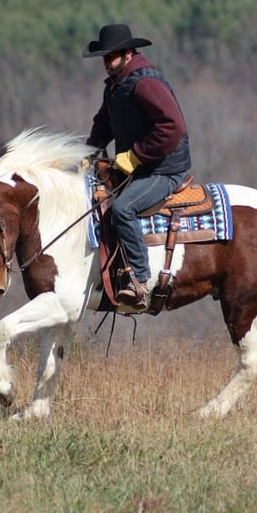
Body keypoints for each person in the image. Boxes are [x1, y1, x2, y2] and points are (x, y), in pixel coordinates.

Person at [83, 23, 192, 307]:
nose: (107, 62)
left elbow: (173, 128)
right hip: (140, 167)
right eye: (104, 58)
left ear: (128, 53)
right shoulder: (116, 86)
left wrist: (134, 156)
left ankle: (140, 280)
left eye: (112, 56)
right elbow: (103, 124)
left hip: (164, 169)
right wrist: (89, 152)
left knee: (122, 209)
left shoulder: (145, 83)